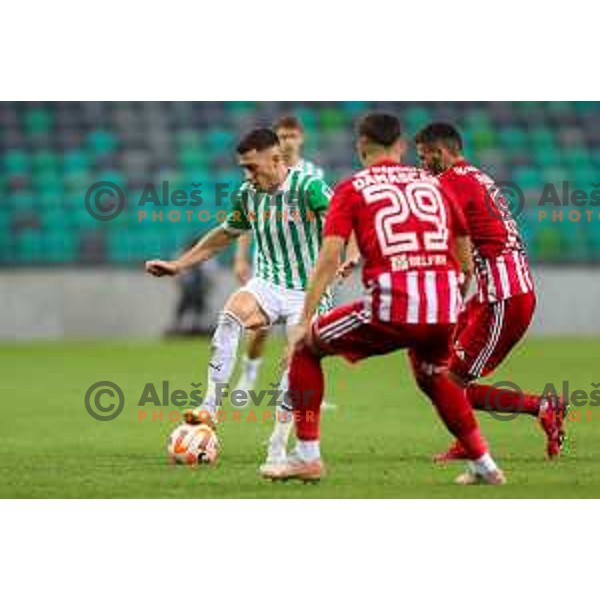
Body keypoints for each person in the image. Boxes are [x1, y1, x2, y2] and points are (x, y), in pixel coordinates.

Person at [262, 113, 505, 485]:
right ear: (402, 146)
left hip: (394, 304)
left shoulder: (353, 187)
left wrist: (302, 319)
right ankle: (485, 464)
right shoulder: (434, 184)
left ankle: (307, 456)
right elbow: (465, 254)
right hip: (443, 306)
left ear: (361, 145)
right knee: (434, 376)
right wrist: (453, 296)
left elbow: (329, 258)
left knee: (306, 349)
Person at [145, 127, 333, 469]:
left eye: (251, 167)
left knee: (295, 367)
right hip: (269, 283)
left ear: (275, 159)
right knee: (230, 314)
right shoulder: (249, 193)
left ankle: (278, 448)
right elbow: (223, 235)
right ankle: (210, 407)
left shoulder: (310, 188)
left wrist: (348, 258)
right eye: (243, 168)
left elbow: (341, 227)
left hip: (308, 291)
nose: (247, 175)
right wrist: (179, 265)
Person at [414, 123, 566, 460]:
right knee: (440, 374)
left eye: (425, 157)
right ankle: (540, 407)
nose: (422, 164)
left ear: (441, 152)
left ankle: (529, 413)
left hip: (504, 298)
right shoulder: (474, 176)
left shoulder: (453, 183)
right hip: (492, 293)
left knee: (450, 382)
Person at [233, 116, 326, 395]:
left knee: (308, 335)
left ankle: (301, 390)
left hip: (305, 271)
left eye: (291, 136)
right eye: (282, 136)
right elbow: (248, 218)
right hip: (269, 265)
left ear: (301, 139)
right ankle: (249, 375)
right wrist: (241, 257)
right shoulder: (257, 172)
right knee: (260, 330)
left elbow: (322, 218)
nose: (287, 141)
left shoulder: (313, 174)